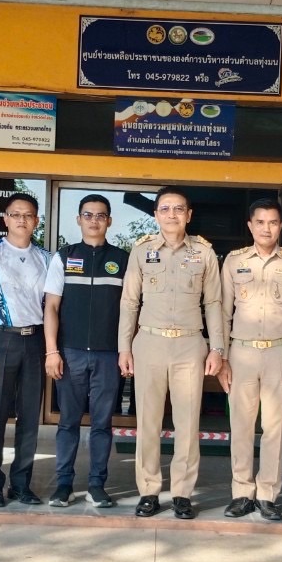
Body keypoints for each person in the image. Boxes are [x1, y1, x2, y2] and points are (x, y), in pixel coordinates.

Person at [117, 187, 225, 519]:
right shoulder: (142, 251)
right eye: (165, 209)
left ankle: (181, 493)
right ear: (156, 215)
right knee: (147, 422)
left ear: (189, 215)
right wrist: (124, 347)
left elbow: (214, 303)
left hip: (190, 345)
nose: (172, 214)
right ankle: (148, 491)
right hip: (149, 342)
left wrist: (217, 347)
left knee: (187, 423)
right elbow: (129, 302)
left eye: (179, 209)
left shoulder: (204, 253)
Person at [217, 199, 282, 522]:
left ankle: (268, 494)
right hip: (240, 353)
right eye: (260, 222)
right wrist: (222, 357)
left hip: (280, 353)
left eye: (273, 222)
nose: (266, 228)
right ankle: (241, 492)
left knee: (274, 427)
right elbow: (223, 312)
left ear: (281, 226)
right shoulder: (234, 261)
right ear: (250, 225)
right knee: (241, 426)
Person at [43, 193, 127, 509]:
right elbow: (51, 307)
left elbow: (131, 309)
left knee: (102, 424)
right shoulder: (64, 257)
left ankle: (96, 486)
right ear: (78, 219)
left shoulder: (122, 260)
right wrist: (52, 351)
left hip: (108, 354)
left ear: (109, 221)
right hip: (70, 353)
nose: (94, 220)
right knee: (68, 422)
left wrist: (126, 351)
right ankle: (63, 485)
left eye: (100, 215)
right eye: (88, 215)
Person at [0, 192, 51, 506]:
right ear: (5, 219)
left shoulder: (46, 258)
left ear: (36, 221)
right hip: (0, 339)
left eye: (28, 215)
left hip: (35, 340)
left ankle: (21, 484)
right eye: (15, 214)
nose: (21, 220)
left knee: (30, 417)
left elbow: (50, 305)